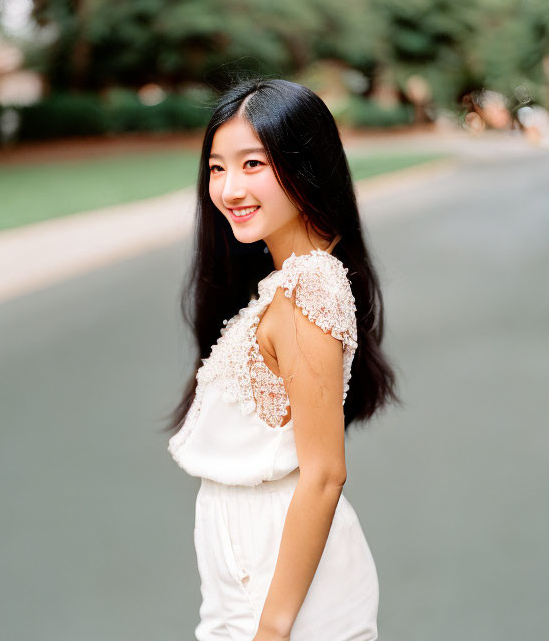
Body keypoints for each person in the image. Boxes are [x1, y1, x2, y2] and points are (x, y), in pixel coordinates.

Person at [165, 77, 400, 641]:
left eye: (253, 164)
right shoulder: (285, 283)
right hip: (249, 570)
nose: (228, 189)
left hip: (278, 585)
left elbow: (324, 474)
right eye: (217, 168)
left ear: (305, 166)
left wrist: (271, 629)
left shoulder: (308, 290)